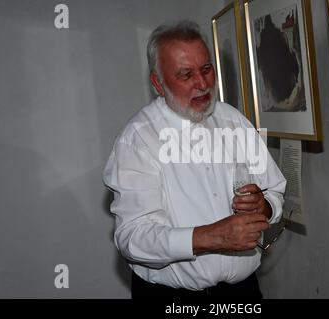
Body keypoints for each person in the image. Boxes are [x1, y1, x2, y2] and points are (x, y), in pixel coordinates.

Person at [103, 20, 286, 299]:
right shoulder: (138, 139)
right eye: (186, 75)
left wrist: (264, 206)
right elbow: (133, 238)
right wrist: (214, 236)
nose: (202, 84)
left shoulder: (233, 120)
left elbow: (275, 191)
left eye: (206, 69)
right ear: (158, 83)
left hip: (243, 292)